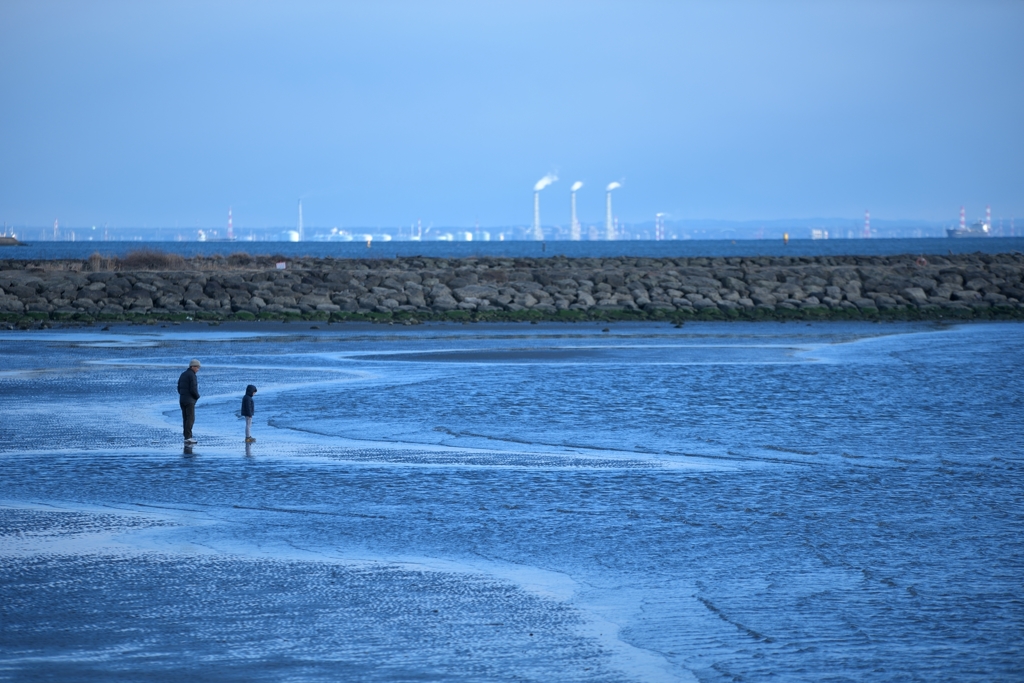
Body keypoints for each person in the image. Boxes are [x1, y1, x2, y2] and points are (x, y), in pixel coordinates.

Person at [177, 359, 201, 444]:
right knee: (190, 418)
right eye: (197, 367)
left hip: (182, 399)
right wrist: (197, 397)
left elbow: (179, 387)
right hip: (189, 400)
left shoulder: (183, 374)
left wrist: (183, 395)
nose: (198, 369)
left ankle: (186, 436)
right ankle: (188, 437)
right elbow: (193, 389)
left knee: (185, 418)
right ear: (193, 367)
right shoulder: (192, 375)